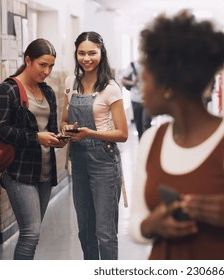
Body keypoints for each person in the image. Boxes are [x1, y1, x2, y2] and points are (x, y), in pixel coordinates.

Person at [129, 10, 224, 259]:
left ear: (167, 88)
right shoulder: (151, 142)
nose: (142, 91)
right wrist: (151, 226)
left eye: (145, 81)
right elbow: (137, 222)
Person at [0, 38, 67, 260]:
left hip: (44, 171)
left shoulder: (48, 92)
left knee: (33, 232)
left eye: (51, 66)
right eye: (42, 65)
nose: (47, 71)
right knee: (30, 233)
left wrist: (58, 138)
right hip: (19, 172)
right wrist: (35, 137)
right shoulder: (9, 89)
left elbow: (49, 129)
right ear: (28, 60)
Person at [61, 31, 128, 260]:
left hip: (104, 162)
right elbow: (64, 119)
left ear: (101, 53)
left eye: (92, 53)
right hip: (78, 161)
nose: (86, 58)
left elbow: (122, 134)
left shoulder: (110, 88)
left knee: (105, 232)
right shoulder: (70, 83)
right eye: (81, 53)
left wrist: (91, 133)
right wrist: (66, 131)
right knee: (85, 231)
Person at [121, 60, 152, 139]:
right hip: (135, 98)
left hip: (147, 99)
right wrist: (133, 82)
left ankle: (148, 143)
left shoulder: (151, 63)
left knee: (146, 123)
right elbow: (123, 79)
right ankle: (141, 141)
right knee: (138, 123)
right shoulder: (133, 65)